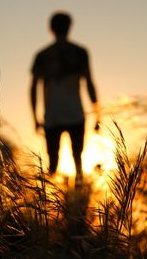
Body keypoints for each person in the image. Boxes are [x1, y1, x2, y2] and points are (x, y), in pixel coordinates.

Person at [30, 11, 100, 185]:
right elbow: (89, 84)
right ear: (70, 27)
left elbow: (33, 89)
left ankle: (48, 205)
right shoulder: (80, 52)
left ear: (50, 29)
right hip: (76, 114)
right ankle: (78, 205)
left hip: (52, 117)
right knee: (79, 162)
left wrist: (35, 118)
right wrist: (98, 114)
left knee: (52, 165)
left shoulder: (43, 55)